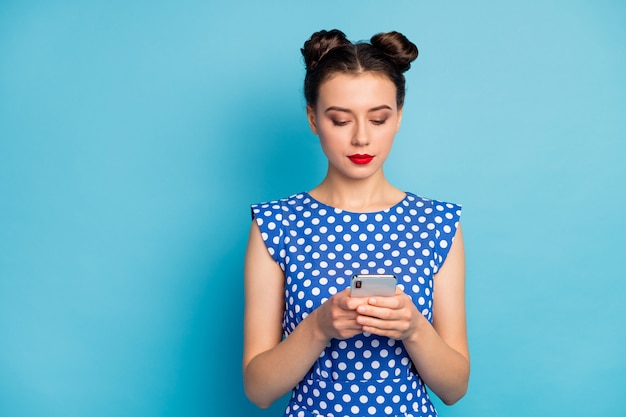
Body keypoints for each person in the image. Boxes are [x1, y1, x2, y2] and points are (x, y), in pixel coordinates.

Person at [243, 29, 469, 417]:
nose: (362, 138)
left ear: (398, 117)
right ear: (314, 119)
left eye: (378, 119)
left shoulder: (438, 224)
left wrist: (414, 328)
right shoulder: (274, 224)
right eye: (340, 120)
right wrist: (319, 327)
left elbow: (454, 388)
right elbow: (259, 390)